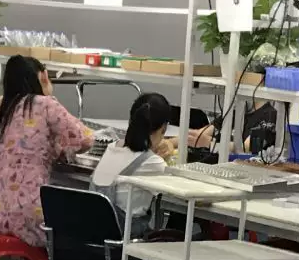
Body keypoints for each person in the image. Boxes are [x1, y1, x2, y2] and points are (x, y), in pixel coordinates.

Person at [0, 56, 95, 249]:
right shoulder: (45, 104)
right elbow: (85, 138)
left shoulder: (4, 109)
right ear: (44, 76)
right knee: (76, 223)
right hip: (30, 214)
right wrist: (62, 149)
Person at [90, 94, 215, 231]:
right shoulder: (151, 162)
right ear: (164, 128)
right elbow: (190, 193)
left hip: (94, 232)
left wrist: (168, 144)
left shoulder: (112, 147)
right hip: (126, 236)